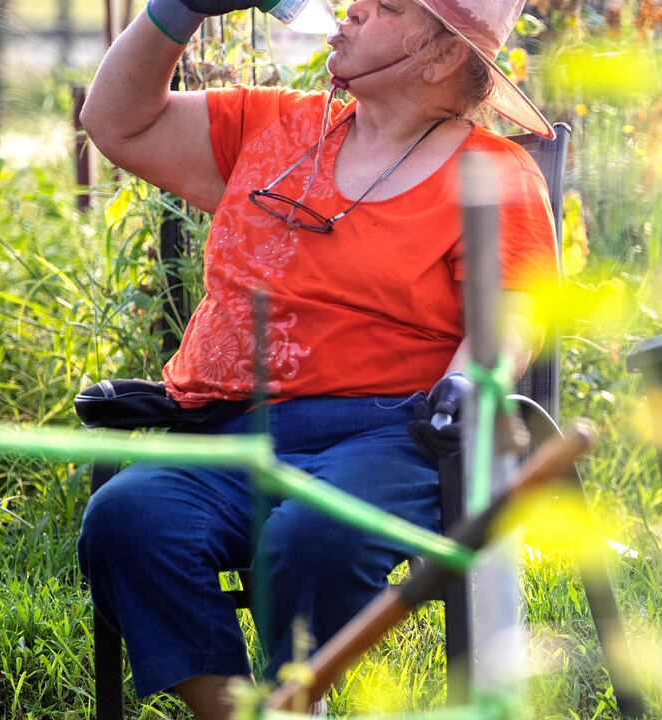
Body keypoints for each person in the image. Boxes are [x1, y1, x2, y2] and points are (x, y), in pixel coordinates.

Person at [75, 0, 557, 716]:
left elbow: (510, 319)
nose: (353, 8)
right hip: (237, 429)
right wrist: (179, 11)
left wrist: (467, 383)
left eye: (386, 6)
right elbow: (115, 123)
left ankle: (294, 697)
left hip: (392, 436)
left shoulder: (493, 173)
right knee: (129, 517)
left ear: (443, 54)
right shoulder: (271, 127)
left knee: (314, 536)